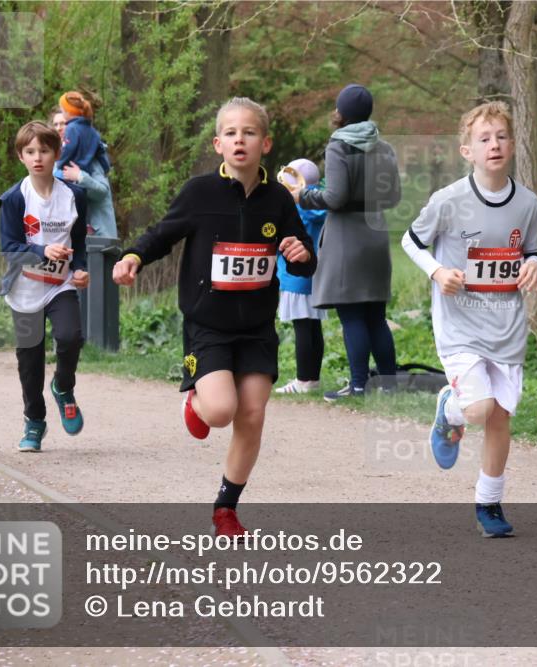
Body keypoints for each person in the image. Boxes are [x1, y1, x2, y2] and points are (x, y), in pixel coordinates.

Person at [111, 97, 316, 537]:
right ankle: (196, 400)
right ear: (217, 143)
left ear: (266, 143)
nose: (240, 139)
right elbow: (162, 234)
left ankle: (226, 507)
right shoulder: (199, 193)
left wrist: (301, 255)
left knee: (253, 413)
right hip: (208, 326)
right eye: (231, 133)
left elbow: (302, 257)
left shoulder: (278, 199)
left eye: (249, 133)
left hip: (257, 327)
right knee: (222, 411)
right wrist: (133, 256)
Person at [401, 101, 537, 538]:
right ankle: (450, 409)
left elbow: (535, 250)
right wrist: (439, 271)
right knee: (479, 409)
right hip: (459, 326)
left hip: (507, 327)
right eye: (484, 139)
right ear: (468, 151)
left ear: (513, 145)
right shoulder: (449, 201)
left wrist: (536, 265)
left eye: (501, 136)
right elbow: (411, 241)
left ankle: (489, 504)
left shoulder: (528, 204)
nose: (494, 145)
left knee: (500, 417)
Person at [294, 84, 401, 401]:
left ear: (340, 112)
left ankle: (357, 385)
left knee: (352, 315)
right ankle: (389, 384)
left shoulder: (338, 146)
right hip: (376, 231)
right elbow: (394, 196)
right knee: (376, 316)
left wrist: (303, 196)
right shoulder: (385, 148)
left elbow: (335, 197)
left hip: (346, 237)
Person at [0, 121, 89, 452]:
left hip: (59, 285)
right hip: (24, 291)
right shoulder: (13, 199)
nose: (38, 157)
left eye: (44, 151)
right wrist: (40, 250)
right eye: (30, 151)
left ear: (57, 153)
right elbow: (8, 247)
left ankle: (64, 386)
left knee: (70, 336)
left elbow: (79, 244)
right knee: (30, 363)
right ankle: (34, 421)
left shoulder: (75, 195)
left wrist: (79, 269)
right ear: (21, 156)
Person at [276, 158, 327, 394]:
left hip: (296, 273)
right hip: (316, 272)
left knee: (302, 328)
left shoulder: (297, 204)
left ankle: (304, 380)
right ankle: (312, 378)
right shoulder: (320, 201)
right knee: (313, 326)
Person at [54, 93, 117, 238]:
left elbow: (102, 192)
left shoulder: (90, 159)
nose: (59, 128)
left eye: (63, 123)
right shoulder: (53, 164)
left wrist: (80, 177)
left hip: (98, 240)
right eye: (55, 124)